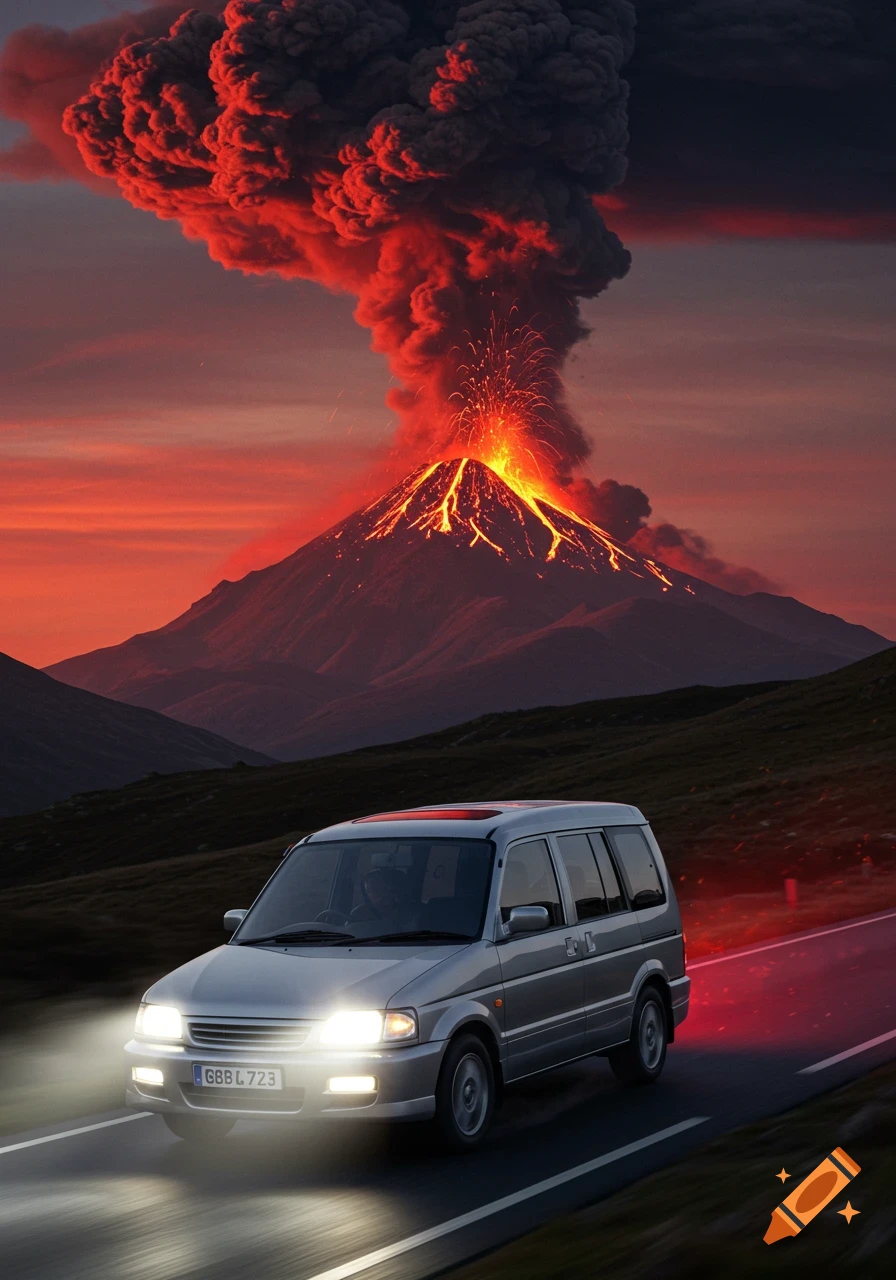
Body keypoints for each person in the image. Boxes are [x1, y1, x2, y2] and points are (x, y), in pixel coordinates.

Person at [350, 867, 417, 931]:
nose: (371, 895)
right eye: (369, 891)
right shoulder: (359, 915)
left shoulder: (415, 913)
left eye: (378, 889)